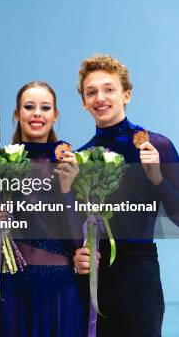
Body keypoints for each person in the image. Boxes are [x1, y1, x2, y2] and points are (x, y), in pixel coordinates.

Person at [72, 55, 179, 336]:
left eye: (109, 89)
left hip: (138, 275)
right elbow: (74, 225)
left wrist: (156, 177)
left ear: (126, 95)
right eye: (91, 92)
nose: (100, 98)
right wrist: (77, 254)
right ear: (84, 101)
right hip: (94, 280)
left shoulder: (157, 145)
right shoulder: (80, 158)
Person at [0, 81, 84, 337]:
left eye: (45, 107)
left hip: (59, 286)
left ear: (55, 115)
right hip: (11, 287)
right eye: (29, 107)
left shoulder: (69, 164)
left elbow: (79, 240)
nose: (37, 113)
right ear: (18, 114)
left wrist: (66, 189)